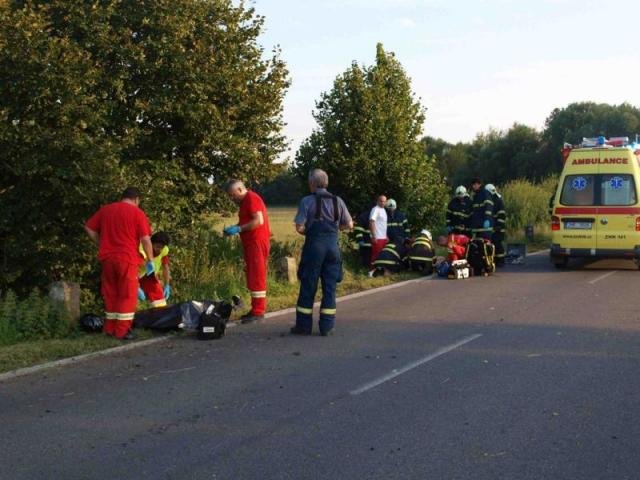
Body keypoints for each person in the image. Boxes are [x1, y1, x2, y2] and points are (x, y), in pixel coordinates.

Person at [84, 187, 154, 340]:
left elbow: (89, 228)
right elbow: (146, 240)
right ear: (136, 200)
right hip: (127, 258)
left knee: (111, 292)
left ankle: (109, 329)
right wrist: (150, 259)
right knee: (127, 294)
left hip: (107, 258)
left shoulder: (106, 210)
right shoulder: (137, 213)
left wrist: (101, 243)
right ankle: (122, 331)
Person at [291, 169, 352, 336]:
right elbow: (349, 225)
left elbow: (299, 227)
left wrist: (309, 232)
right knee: (330, 287)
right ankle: (327, 327)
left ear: (312, 184)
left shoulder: (306, 201)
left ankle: (303, 327)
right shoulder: (338, 201)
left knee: (308, 285)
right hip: (333, 247)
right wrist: (334, 229)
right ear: (326, 183)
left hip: (314, 247)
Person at [223, 179, 271, 324]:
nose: (232, 199)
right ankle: (255, 308)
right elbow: (246, 221)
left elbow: (258, 221)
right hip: (251, 243)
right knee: (252, 274)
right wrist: (235, 227)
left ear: (239, 190)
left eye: (233, 195)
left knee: (257, 275)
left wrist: (239, 229)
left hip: (257, 242)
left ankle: (258, 311)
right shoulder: (245, 202)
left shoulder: (251, 198)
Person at [137, 231, 172, 307]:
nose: (159, 249)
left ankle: (161, 317)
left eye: (161, 247)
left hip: (148, 275)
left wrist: (167, 285)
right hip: (132, 276)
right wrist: (135, 286)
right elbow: (130, 269)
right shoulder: (141, 250)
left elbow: (165, 267)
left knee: (159, 299)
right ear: (151, 244)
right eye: (157, 246)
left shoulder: (164, 250)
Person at [486, 184, 507, 266]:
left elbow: (502, 215)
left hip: (499, 228)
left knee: (497, 244)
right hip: (494, 227)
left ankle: (501, 260)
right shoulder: (494, 199)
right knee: (494, 244)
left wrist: (499, 225)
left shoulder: (498, 200)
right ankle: (496, 260)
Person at [369, 195, 388, 269]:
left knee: (382, 255)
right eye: (381, 201)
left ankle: (379, 270)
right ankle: (371, 270)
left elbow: (382, 225)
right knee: (376, 254)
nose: (383, 203)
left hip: (383, 237)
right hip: (377, 237)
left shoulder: (383, 210)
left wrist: (386, 236)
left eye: (384, 201)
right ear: (377, 201)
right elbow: (371, 222)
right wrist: (373, 236)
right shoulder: (375, 209)